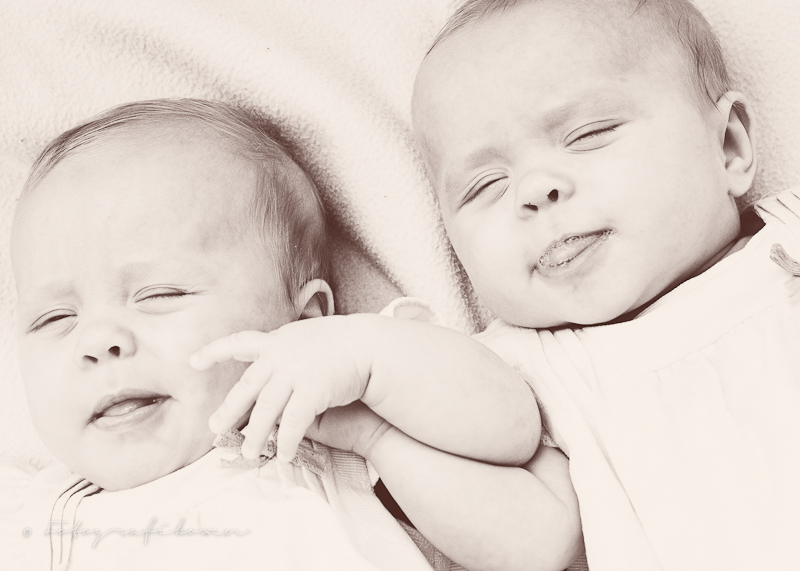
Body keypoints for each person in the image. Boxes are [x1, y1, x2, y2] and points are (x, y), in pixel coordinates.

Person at [3, 98, 545, 571]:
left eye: (160, 294)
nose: (97, 340)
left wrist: (366, 370)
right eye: (54, 319)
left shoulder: (330, 436)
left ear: (305, 324)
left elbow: (522, 467)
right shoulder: (25, 513)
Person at [406, 0, 800, 569]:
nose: (535, 189)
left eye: (588, 134)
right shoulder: (519, 375)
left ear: (728, 147)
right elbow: (529, 540)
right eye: (486, 185)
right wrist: (373, 410)